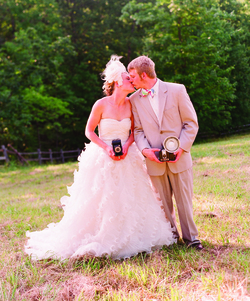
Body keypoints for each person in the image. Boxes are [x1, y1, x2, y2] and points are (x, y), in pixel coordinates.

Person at [25, 56, 176, 260]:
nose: (131, 80)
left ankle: (134, 235)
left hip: (127, 155)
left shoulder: (132, 105)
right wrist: (106, 148)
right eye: (127, 77)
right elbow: (89, 131)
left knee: (131, 196)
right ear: (116, 82)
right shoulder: (101, 104)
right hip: (103, 155)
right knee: (103, 199)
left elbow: (134, 131)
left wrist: (126, 145)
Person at [128, 55, 203, 250]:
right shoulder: (133, 100)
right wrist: (145, 150)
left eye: (133, 75)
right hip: (154, 162)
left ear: (144, 74)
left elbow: (191, 124)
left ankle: (191, 239)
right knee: (162, 204)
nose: (131, 80)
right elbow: (137, 131)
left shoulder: (177, 90)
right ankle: (170, 238)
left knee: (184, 202)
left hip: (180, 158)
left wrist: (181, 147)